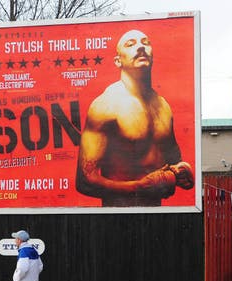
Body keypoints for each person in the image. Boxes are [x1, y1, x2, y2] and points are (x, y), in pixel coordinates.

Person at [76, 29, 194, 207]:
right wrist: (138, 187)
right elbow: (84, 181)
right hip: (117, 215)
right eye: (130, 44)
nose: (140, 47)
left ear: (153, 56)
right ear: (118, 61)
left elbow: (173, 157)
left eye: (145, 43)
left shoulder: (163, 106)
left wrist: (182, 170)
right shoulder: (106, 105)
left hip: (156, 213)